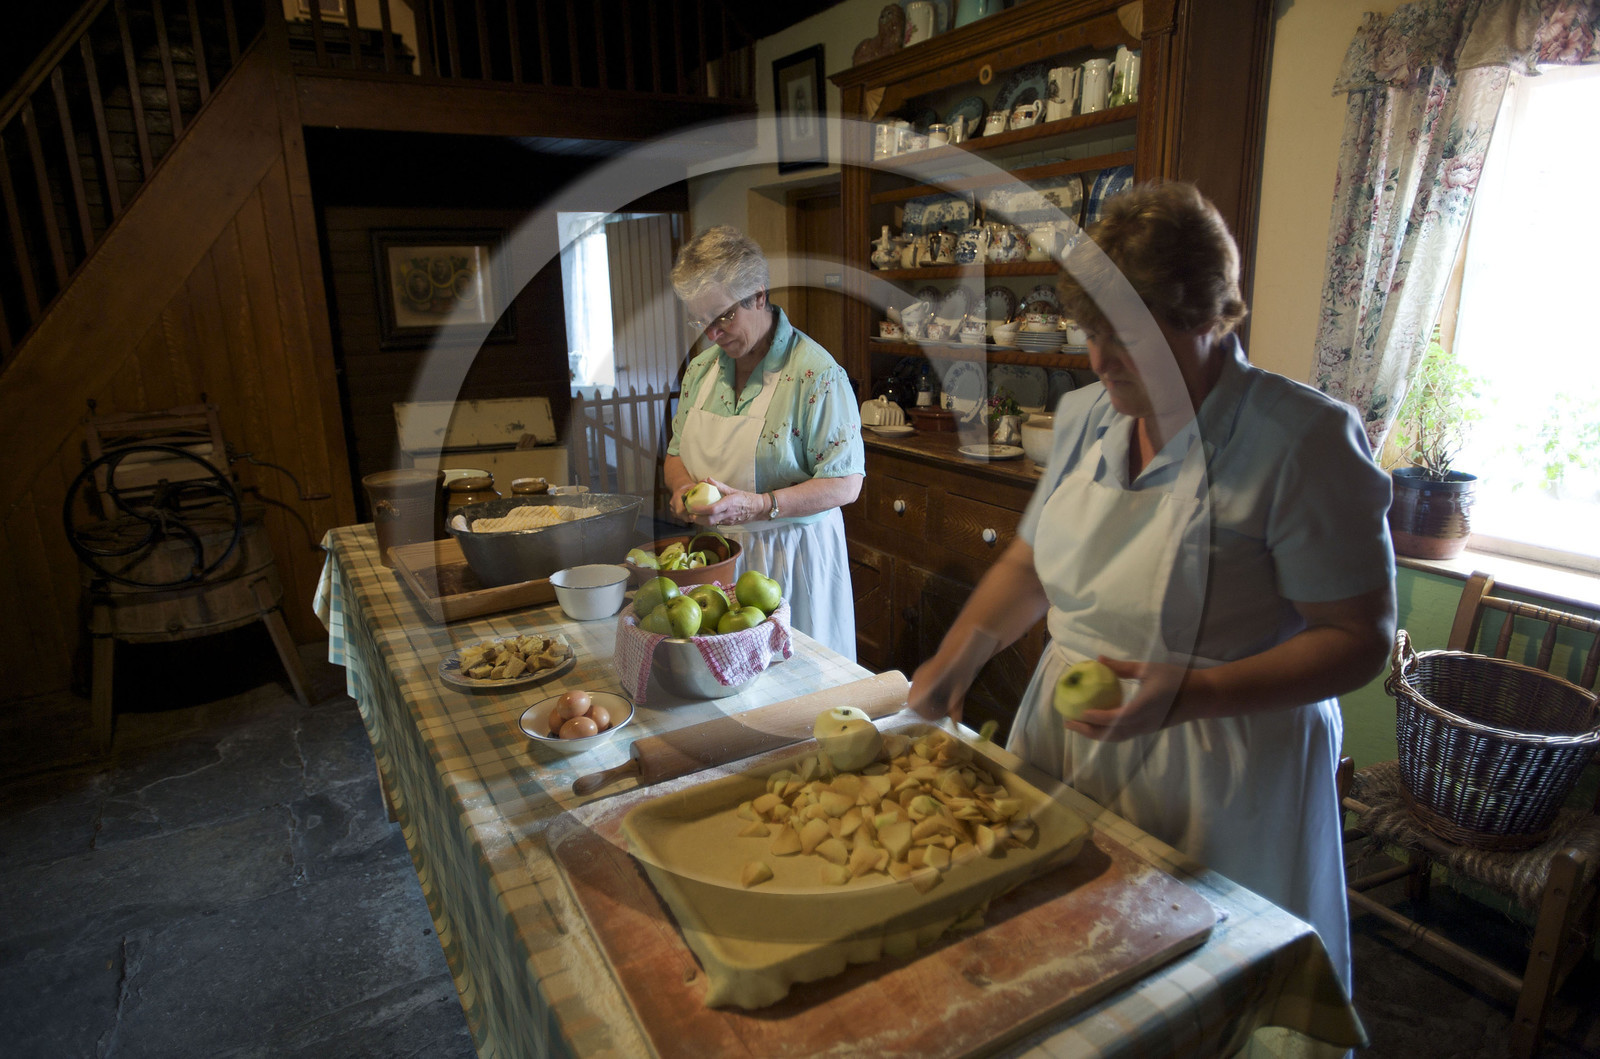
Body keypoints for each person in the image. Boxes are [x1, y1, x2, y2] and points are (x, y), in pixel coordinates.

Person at [906, 182, 1395, 993]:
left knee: (1197, 991)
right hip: (1071, 731)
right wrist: (956, 661)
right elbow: (1031, 564)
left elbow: (1359, 640)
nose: (1100, 360)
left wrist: (1191, 693)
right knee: (1060, 964)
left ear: (1206, 316)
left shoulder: (1301, 440)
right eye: (1091, 332)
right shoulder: (1083, 418)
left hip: (1223, 760)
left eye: (1127, 337)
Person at [664, 226, 865, 660]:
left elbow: (846, 483)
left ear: (758, 294)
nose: (712, 335)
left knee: (800, 698)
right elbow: (676, 453)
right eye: (701, 321)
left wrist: (758, 505)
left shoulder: (815, 374)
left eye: (722, 317)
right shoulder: (701, 371)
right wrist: (681, 488)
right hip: (718, 562)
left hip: (791, 561)